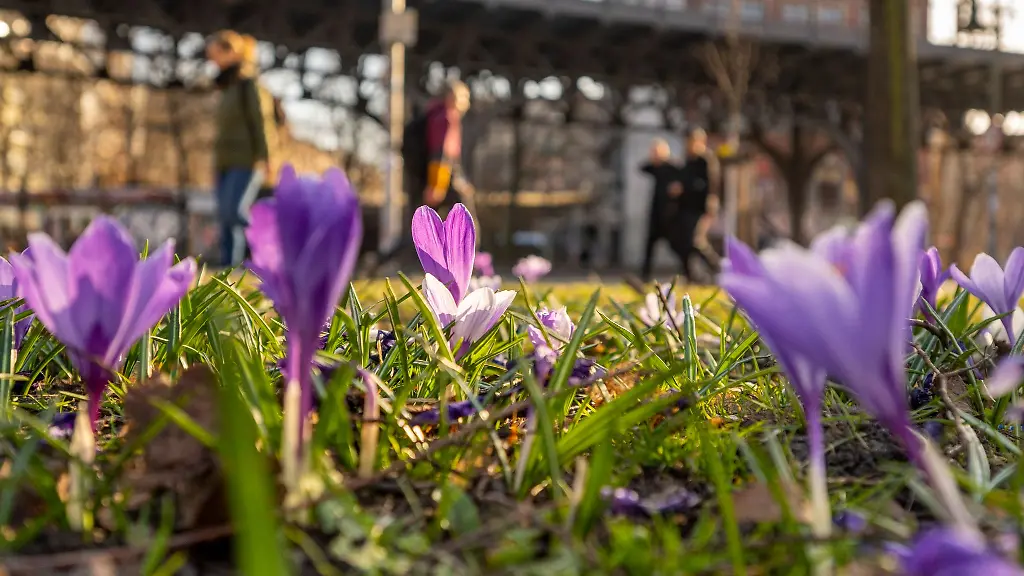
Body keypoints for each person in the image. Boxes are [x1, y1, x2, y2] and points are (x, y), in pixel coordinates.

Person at [370, 80, 472, 272]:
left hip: (423, 180)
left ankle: (380, 260)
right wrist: (437, 186)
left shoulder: (431, 114)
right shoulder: (446, 117)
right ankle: (472, 267)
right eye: (464, 97)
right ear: (453, 97)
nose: (466, 102)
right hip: (439, 181)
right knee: (466, 221)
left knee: (416, 227)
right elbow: (440, 153)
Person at [207, 30, 270, 268]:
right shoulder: (226, 87)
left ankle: (270, 243)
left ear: (231, 52)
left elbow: (261, 123)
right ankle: (229, 267)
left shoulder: (248, 86)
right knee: (225, 217)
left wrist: (266, 157)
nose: (212, 60)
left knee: (235, 212)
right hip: (223, 162)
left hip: (246, 160)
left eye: (215, 53)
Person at [674, 128, 720, 282]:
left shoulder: (706, 160)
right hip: (686, 207)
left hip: (701, 208)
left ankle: (718, 268)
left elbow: (708, 185)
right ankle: (691, 275)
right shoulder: (688, 160)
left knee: (696, 241)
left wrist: (685, 187)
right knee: (685, 242)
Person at [639, 138, 686, 281]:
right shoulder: (655, 168)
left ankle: (689, 272)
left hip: (669, 214)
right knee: (649, 246)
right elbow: (642, 167)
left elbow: (682, 182)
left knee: (676, 246)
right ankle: (645, 275)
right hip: (656, 214)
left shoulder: (672, 168)